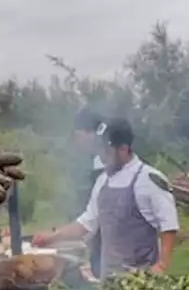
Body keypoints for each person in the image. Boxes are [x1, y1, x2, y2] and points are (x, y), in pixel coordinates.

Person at [32, 117, 178, 276]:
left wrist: (162, 265)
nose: (101, 156)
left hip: (141, 280)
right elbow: (87, 222)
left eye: (106, 151)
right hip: (108, 277)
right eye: (99, 149)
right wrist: (53, 237)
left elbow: (168, 225)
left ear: (123, 149)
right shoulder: (102, 181)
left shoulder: (149, 179)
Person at [71, 106, 107, 275]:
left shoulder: (108, 162)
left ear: (91, 134)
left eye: (78, 136)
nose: (77, 142)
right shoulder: (97, 160)